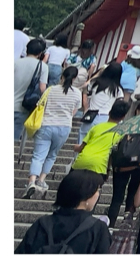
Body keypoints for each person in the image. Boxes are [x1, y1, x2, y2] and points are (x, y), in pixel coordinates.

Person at [16, 169, 111, 254]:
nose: (98, 194)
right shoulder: (98, 228)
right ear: (86, 195)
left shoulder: (42, 223)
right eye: (97, 190)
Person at [26, 62, 85, 197]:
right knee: (52, 155)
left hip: (46, 125)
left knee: (38, 155)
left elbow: (41, 104)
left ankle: (32, 182)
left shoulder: (51, 89)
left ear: (62, 76)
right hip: (64, 127)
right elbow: (73, 112)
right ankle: (42, 180)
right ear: (74, 78)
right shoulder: (77, 94)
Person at [15, 38, 49, 142]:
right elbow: (42, 88)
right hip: (23, 108)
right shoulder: (43, 67)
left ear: (27, 49)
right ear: (40, 53)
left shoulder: (15, 62)